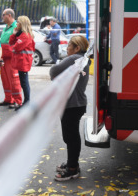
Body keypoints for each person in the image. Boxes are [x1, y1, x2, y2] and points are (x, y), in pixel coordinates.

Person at [50, 35, 90, 181]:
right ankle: (72, 164)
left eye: (69, 46)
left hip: (72, 105)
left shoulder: (74, 59)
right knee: (71, 137)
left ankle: (72, 169)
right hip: (77, 104)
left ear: (77, 48)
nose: (67, 48)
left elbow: (54, 70)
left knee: (71, 137)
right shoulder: (82, 60)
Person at [0, 9, 23, 109]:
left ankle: (17, 100)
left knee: (14, 80)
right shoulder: (6, 27)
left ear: (9, 15)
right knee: (5, 79)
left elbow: (19, 42)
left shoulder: (17, 26)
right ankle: (8, 99)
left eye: (3, 15)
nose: (2, 17)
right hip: (4, 57)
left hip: (12, 58)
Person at [9, 16, 35, 109]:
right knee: (23, 82)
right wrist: (14, 34)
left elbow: (16, 47)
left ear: (22, 24)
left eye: (18, 22)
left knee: (24, 82)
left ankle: (27, 102)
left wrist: (14, 45)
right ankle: (26, 102)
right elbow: (11, 43)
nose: (16, 24)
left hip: (24, 62)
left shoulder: (25, 35)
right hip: (21, 61)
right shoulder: (20, 34)